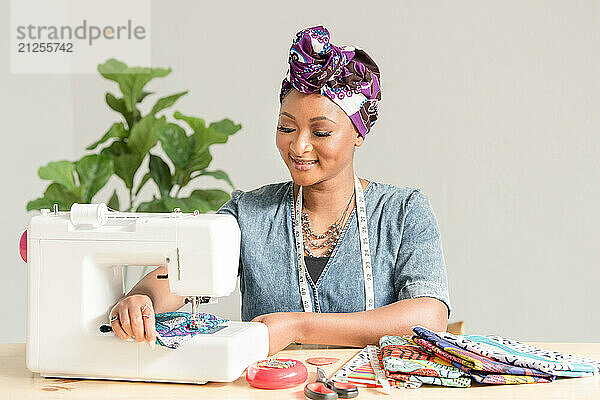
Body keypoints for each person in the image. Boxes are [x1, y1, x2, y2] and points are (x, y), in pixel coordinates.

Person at [109, 25, 451, 356]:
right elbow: (176, 277)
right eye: (287, 127)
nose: (298, 146)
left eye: (320, 132)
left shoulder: (404, 212)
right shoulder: (247, 214)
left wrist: (298, 327)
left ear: (359, 133)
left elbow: (428, 318)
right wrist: (143, 300)